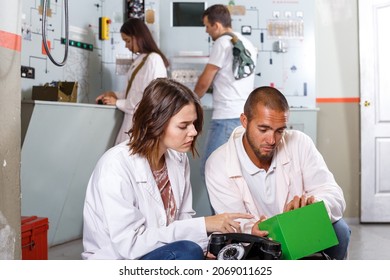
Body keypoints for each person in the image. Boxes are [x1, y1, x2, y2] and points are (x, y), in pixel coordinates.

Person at [82, 78, 253, 260]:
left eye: (194, 123)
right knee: (188, 252)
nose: (194, 132)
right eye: (183, 125)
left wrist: (205, 248)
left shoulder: (178, 158)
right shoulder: (115, 166)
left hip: (159, 254)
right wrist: (203, 226)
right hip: (120, 260)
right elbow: (129, 245)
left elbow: (183, 219)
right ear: (155, 122)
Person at [205, 86, 351, 260]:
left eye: (279, 130)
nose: (272, 140)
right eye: (263, 129)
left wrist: (315, 206)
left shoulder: (300, 143)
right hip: (256, 244)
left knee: (340, 230)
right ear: (244, 121)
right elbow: (233, 223)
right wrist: (252, 229)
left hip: (300, 232)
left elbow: (333, 194)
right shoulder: (218, 163)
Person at [194, 4, 257, 170]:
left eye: (207, 26)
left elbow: (204, 81)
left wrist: (189, 101)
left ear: (217, 25)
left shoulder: (222, 42)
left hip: (225, 118)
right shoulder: (248, 43)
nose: (206, 31)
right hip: (244, 117)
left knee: (210, 171)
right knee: (236, 173)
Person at [96, 18, 168, 145]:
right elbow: (133, 92)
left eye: (128, 41)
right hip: (131, 121)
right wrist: (113, 95)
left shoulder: (153, 60)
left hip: (142, 124)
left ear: (138, 37)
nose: (126, 45)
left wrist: (117, 102)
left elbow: (150, 98)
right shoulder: (140, 59)